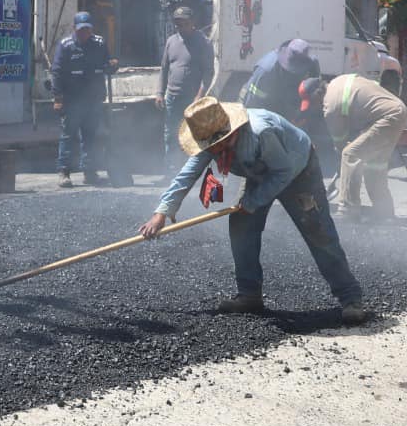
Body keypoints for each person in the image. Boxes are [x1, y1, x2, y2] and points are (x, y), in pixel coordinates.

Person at [138, 96, 367, 326]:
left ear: (229, 134)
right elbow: (187, 174)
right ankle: (249, 295)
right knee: (241, 224)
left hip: (298, 172)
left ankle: (350, 298)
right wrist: (162, 213)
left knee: (317, 230)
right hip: (261, 173)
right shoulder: (211, 137)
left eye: (214, 146)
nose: (211, 151)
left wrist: (252, 202)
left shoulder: (260, 133)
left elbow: (283, 173)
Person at [319, 73, 407, 220]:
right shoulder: (339, 81)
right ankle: (384, 212)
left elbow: (339, 139)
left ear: (318, 93)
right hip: (397, 112)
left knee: (350, 154)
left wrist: (341, 155)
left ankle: (348, 209)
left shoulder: (330, 103)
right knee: (375, 166)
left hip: (388, 117)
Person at [50, 11, 116, 188]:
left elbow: (106, 64)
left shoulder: (99, 43)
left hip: (93, 99)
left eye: (87, 29)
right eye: (81, 30)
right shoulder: (65, 45)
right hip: (72, 100)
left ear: (91, 29)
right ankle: (64, 172)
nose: (84, 33)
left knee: (90, 137)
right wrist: (58, 98)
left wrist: (112, 66)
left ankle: (89, 172)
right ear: (74, 28)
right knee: (68, 136)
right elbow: (56, 72)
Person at [156, 6, 213, 167]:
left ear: (192, 22)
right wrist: (160, 92)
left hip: (192, 99)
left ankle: (191, 171)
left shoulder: (203, 42)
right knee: (171, 134)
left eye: (184, 23)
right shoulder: (171, 41)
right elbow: (165, 68)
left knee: (192, 135)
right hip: (172, 97)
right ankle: (171, 170)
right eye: (177, 23)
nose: (180, 26)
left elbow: (208, 72)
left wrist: (199, 96)